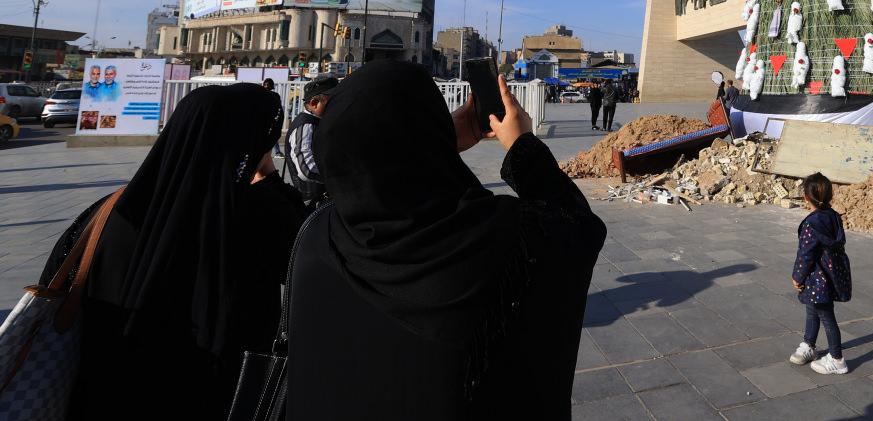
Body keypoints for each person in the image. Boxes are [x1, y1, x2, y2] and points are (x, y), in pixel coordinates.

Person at [286, 61, 606, 419]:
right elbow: (578, 229)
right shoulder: (499, 243)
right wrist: (521, 145)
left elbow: (381, 170)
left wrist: (430, 145)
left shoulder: (318, 237)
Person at [39, 84, 308, 420]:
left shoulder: (111, 210)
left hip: (110, 394)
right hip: (213, 397)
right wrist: (267, 175)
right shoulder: (255, 214)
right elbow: (300, 251)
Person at [788, 172, 852, 376]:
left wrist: (797, 277)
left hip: (818, 277)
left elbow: (805, 255)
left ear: (806, 197)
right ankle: (809, 344)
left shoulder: (811, 224)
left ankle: (836, 359)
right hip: (832, 271)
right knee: (812, 308)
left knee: (826, 315)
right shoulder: (833, 216)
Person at [283, 75, 339, 204]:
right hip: (314, 201)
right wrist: (338, 178)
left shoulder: (318, 122)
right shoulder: (306, 125)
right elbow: (306, 169)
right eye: (333, 101)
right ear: (314, 103)